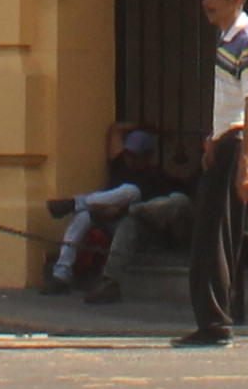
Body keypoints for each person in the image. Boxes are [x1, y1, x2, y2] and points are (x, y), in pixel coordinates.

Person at [176, 0, 248, 349]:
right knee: (220, 235)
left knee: (214, 237)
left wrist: (246, 163)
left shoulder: (246, 38)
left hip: (240, 142)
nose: (206, 3)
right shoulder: (227, 36)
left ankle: (216, 323)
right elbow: (229, 99)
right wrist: (213, 139)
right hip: (227, 140)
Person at [51, 118, 181, 297]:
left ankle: (75, 203)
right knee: (82, 216)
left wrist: (114, 211)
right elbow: (116, 130)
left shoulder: (154, 177)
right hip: (104, 215)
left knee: (131, 191)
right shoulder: (120, 164)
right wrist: (154, 128)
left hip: (129, 225)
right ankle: (61, 275)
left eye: (136, 155)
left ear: (148, 155)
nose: (130, 159)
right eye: (128, 154)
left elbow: (146, 213)